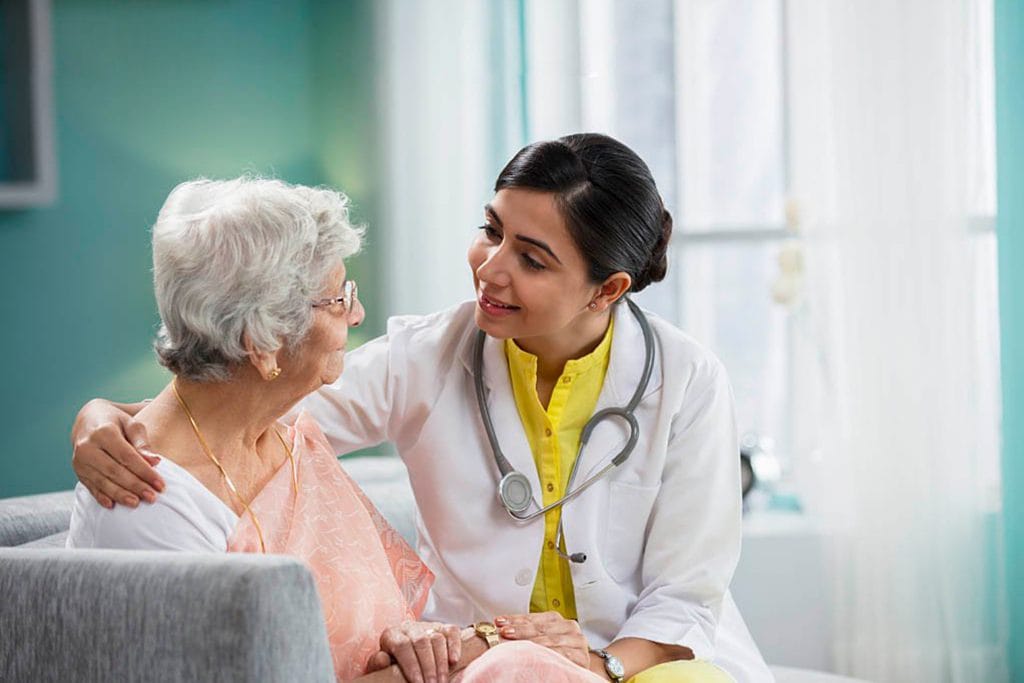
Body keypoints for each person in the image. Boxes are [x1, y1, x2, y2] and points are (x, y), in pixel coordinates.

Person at [72, 134, 772, 682]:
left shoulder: (687, 382)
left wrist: (601, 663)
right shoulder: (429, 354)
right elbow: (249, 397)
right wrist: (102, 415)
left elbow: (685, 593)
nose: (491, 267)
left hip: (641, 661)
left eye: (531, 257)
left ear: (606, 288)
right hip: (490, 666)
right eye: (490, 230)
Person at [66, 177, 599, 683]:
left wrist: (415, 642)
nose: (358, 312)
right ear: (265, 339)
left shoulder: (287, 434)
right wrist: (484, 645)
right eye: (338, 298)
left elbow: (366, 634)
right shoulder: (148, 501)